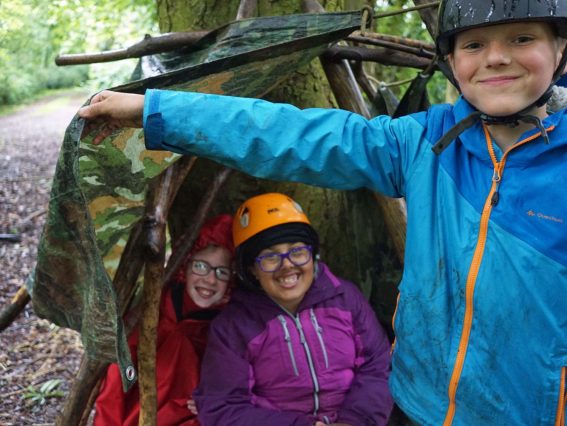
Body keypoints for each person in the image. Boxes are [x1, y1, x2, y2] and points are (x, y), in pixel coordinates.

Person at [79, 1, 567, 424]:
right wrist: (156, 112)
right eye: (474, 45)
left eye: (522, 38)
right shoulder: (422, 142)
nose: (497, 57)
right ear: (453, 59)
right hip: (423, 404)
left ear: (560, 49)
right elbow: (290, 134)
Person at [191, 193, 393, 426]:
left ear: (313, 256)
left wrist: (354, 421)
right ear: (251, 269)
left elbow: (378, 364)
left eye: (297, 251)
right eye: (269, 257)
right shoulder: (234, 326)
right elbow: (222, 407)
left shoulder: (345, 298)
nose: (287, 265)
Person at [93, 214, 234, 426]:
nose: (211, 279)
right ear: (185, 266)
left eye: (222, 272)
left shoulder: (227, 328)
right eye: (201, 266)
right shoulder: (154, 310)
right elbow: (115, 383)